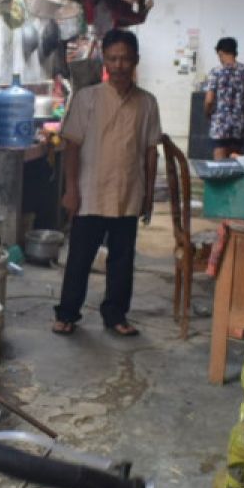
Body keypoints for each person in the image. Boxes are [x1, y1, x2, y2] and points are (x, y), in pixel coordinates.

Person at [52, 28, 161, 338]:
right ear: (105, 61)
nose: (119, 65)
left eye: (125, 59)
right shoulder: (88, 99)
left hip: (128, 193)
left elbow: (151, 151)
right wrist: (71, 189)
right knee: (79, 258)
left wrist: (149, 195)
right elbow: (71, 146)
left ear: (136, 61)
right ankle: (67, 313)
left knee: (122, 261)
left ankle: (115, 314)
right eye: (113, 58)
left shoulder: (147, 103)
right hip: (90, 192)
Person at [203, 37, 244, 159]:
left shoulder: (215, 72)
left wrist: (207, 113)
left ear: (220, 53)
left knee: (219, 168)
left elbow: (209, 100)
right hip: (239, 125)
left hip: (220, 125)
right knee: (236, 165)